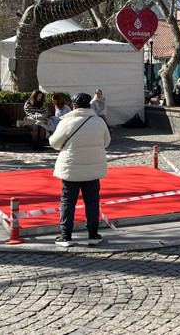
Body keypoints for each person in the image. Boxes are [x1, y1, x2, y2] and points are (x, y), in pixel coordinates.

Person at [49, 93, 111, 247]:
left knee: (68, 201)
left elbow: (54, 143)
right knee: (92, 201)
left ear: (74, 106)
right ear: (90, 105)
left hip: (71, 168)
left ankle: (66, 236)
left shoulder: (66, 122)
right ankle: (93, 234)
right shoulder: (99, 121)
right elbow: (106, 142)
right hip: (93, 167)